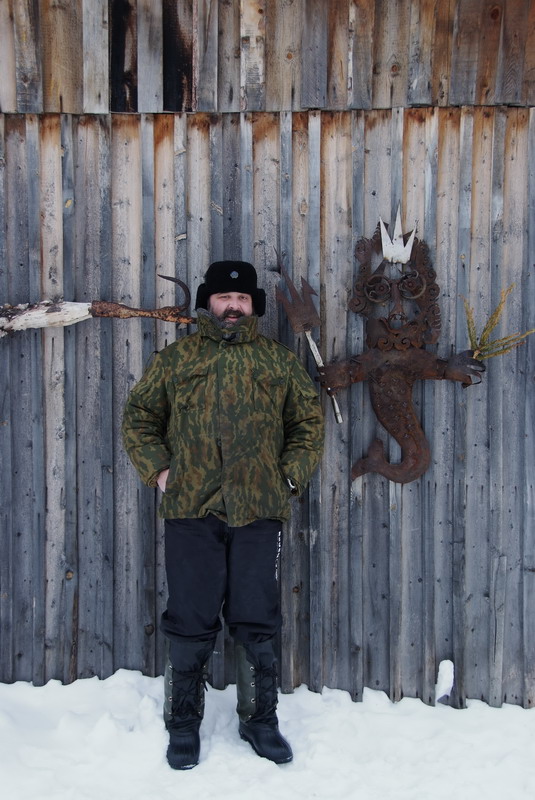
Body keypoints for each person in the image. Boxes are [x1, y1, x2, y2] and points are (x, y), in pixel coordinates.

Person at [122, 261, 324, 770]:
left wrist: (289, 478)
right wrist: (160, 471)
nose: (233, 306)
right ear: (208, 303)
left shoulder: (278, 362)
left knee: (257, 620)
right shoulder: (175, 360)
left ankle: (260, 721)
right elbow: (140, 416)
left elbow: (307, 421)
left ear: (252, 306)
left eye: (242, 299)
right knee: (189, 619)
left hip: (259, 509)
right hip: (191, 508)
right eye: (223, 298)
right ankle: (183, 723)